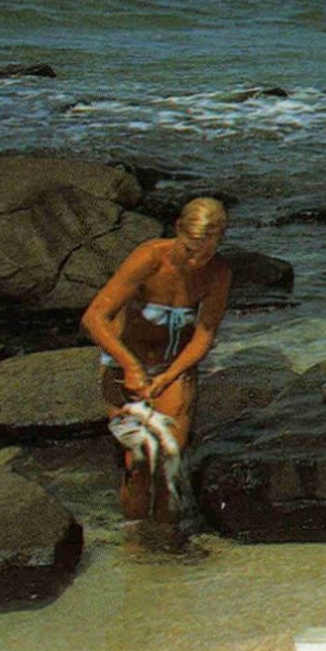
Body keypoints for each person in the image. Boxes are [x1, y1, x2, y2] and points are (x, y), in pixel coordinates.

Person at [82, 197, 232, 521]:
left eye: (205, 253)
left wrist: (170, 375)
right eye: (190, 251)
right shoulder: (149, 257)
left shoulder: (218, 273)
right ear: (178, 229)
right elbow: (94, 317)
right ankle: (134, 545)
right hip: (125, 364)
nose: (195, 262)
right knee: (138, 464)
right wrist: (130, 365)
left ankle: (166, 553)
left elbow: (204, 335)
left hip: (173, 367)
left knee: (169, 464)